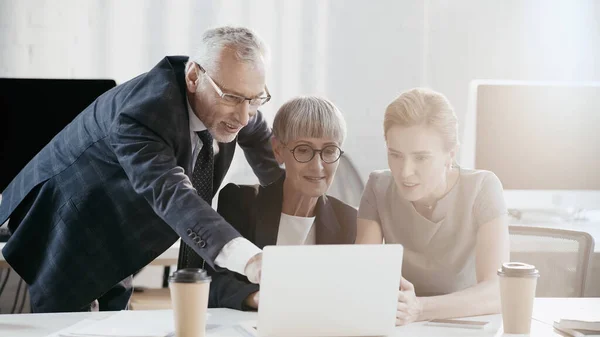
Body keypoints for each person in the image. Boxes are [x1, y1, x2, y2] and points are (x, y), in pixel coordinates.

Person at [0, 26, 283, 313]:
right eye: (232, 98)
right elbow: (175, 197)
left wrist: (303, 204)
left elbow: (272, 160)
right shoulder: (142, 115)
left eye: (255, 99)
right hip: (69, 223)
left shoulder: (237, 102)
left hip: (120, 228)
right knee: (65, 326)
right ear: (194, 77)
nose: (244, 116)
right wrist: (252, 262)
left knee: (113, 321)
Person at [356, 88, 509, 325]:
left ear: (450, 154)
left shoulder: (483, 188)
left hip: (466, 324)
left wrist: (420, 309)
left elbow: (499, 291)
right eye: (395, 155)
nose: (405, 172)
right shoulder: (378, 187)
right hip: (402, 326)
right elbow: (362, 276)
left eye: (421, 158)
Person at [206, 96, 357, 310]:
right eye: (303, 150)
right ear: (277, 150)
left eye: (330, 150)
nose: (318, 166)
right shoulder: (240, 202)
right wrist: (258, 298)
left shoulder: (349, 220)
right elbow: (212, 285)